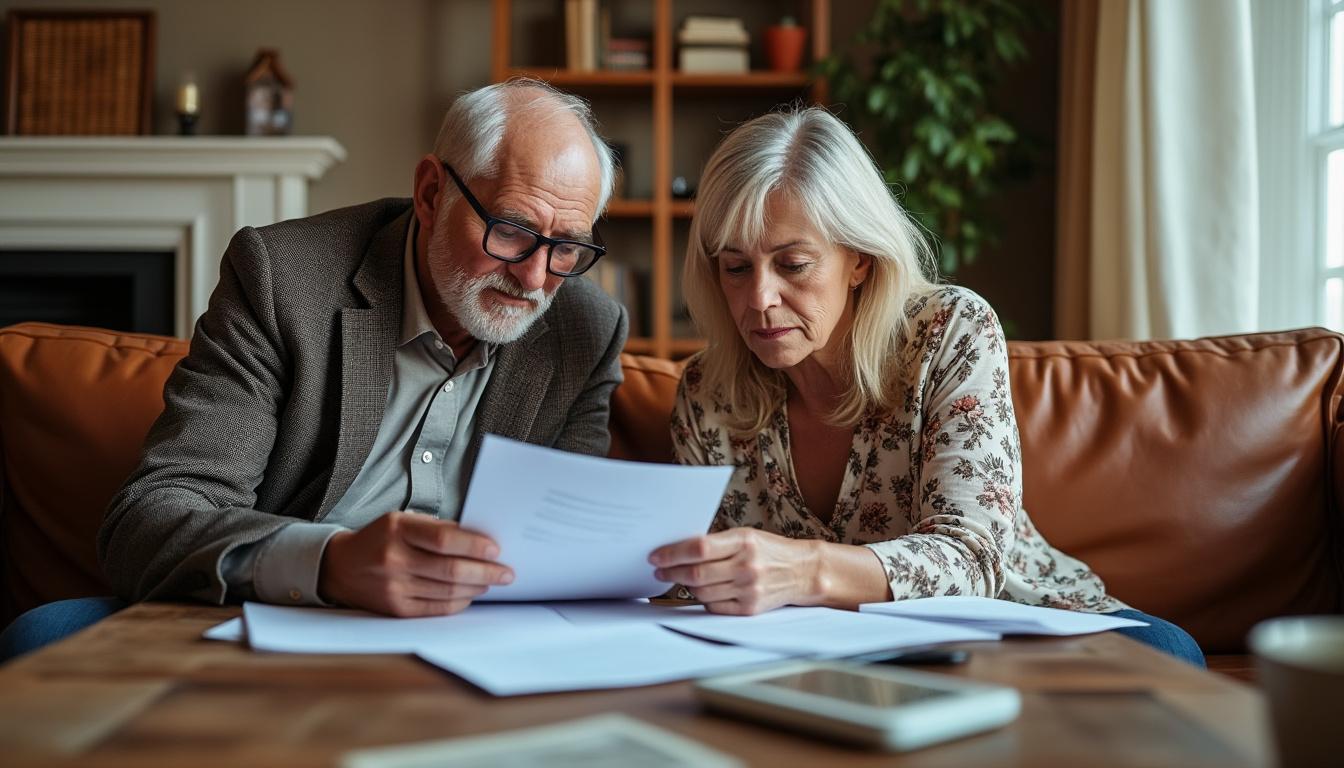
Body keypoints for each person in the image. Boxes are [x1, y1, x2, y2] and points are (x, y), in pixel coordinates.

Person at [0, 79, 627, 661]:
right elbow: (151, 516)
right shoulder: (283, 277)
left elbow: (564, 540)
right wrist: (331, 561)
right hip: (279, 612)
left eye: (567, 246)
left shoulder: (584, 330)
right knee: (42, 636)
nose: (537, 276)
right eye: (513, 231)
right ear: (433, 193)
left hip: (474, 638)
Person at [647, 107, 1204, 666]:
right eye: (736, 268)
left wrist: (805, 569)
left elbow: (972, 558)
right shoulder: (708, 391)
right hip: (824, 654)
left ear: (859, 260)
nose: (759, 298)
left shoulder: (950, 332)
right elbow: (690, 586)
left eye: (792, 264)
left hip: (1011, 623)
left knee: (1170, 655)